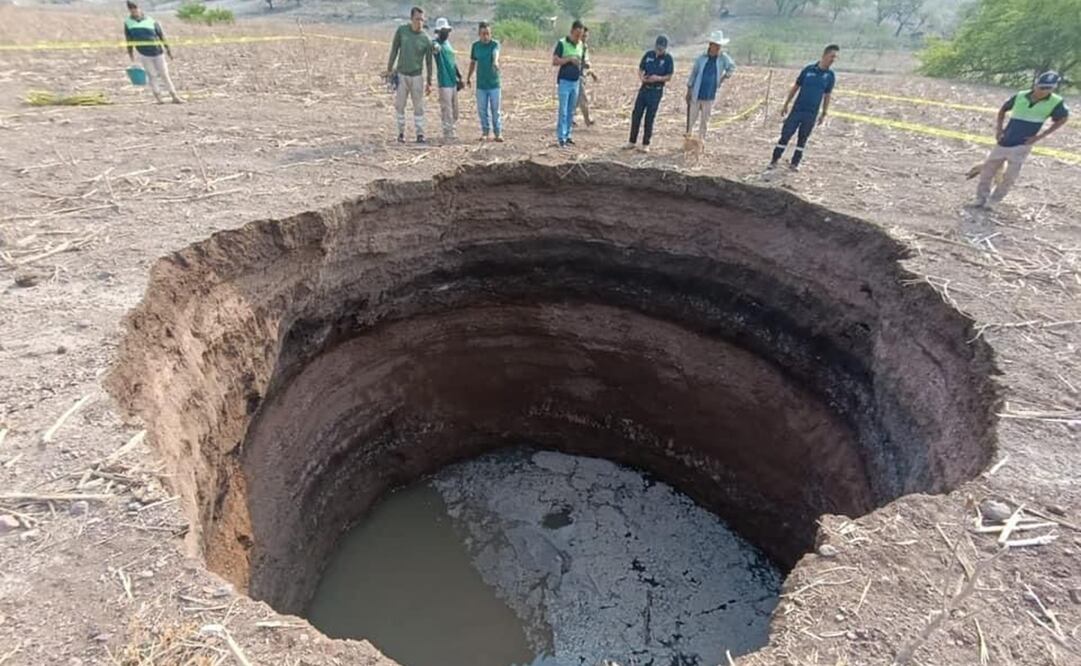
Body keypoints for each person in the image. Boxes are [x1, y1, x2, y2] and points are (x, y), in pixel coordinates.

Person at [974, 71, 1069, 208]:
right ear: (1035, 84)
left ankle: (994, 200)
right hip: (1004, 140)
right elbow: (1003, 109)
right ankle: (981, 198)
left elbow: (1063, 118)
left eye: (1048, 88)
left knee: (1010, 176)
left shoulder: (1056, 102)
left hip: (1023, 144)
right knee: (987, 172)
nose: (1043, 91)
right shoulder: (1020, 96)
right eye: (1042, 87)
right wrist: (999, 130)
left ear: (1053, 88)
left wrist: (1040, 136)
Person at [769, 44, 838, 172]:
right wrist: (786, 104)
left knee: (803, 139)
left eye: (835, 57)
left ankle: (795, 163)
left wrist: (824, 113)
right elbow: (796, 87)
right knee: (786, 135)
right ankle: (774, 160)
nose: (833, 60)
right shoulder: (808, 70)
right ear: (824, 55)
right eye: (832, 56)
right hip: (797, 110)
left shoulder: (830, 76)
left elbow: (827, 95)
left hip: (811, 113)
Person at [386, 7, 435, 144]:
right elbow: (394, 50)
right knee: (400, 105)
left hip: (417, 76)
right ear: (411, 18)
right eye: (417, 19)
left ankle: (420, 134)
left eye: (422, 20)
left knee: (418, 106)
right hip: (402, 75)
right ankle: (401, 133)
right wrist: (389, 69)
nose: (419, 22)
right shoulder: (402, 31)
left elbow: (429, 62)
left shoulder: (426, 39)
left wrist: (429, 81)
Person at [123, 1, 182, 104]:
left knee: (164, 74)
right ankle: (158, 98)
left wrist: (168, 50)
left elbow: (161, 36)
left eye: (135, 10)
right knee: (152, 75)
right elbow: (129, 39)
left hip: (158, 52)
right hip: (144, 53)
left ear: (139, 9)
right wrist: (130, 53)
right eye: (132, 10)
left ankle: (174, 96)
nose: (134, 12)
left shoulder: (151, 20)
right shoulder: (128, 23)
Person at [623, 35, 674, 153]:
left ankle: (646, 144)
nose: (659, 50)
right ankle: (631, 141)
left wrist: (657, 78)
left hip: (656, 91)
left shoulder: (668, 59)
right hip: (644, 88)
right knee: (636, 115)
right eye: (658, 47)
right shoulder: (648, 55)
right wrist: (642, 77)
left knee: (649, 117)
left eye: (662, 48)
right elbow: (641, 68)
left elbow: (669, 76)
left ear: (665, 48)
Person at [685, 30, 736, 141]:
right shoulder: (701, 58)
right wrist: (689, 89)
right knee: (691, 119)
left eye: (719, 46)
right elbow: (694, 74)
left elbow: (732, 67)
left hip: (710, 95)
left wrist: (724, 77)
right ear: (710, 45)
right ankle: (688, 140)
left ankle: (701, 142)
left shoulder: (723, 58)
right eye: (716, 45)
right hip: (697, 93)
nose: (717, 48)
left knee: (705, 121)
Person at [467, 22, 503, 142]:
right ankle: (485, 131)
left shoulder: (494, 44)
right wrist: (468, 77)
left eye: (488, 33)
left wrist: (495, 62)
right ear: (479, 34)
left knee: (495, 110)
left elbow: (495, 53)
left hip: (494, 84)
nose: (486, 36)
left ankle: (498, 132)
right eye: (483, 34)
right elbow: (473, 62)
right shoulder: (475, 46)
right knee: (482, 110)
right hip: (481, 85)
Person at [552, 20, 585, 148]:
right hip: (564, 81)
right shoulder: (562, 43)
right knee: (563, 111)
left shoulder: (581, 45)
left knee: (571, 111)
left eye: (580, 35)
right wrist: (569, 60)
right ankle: (561, 137)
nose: (578, 38)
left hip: (575, 81)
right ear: (572, 31)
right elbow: (555, 61)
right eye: (577, 35)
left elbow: (582, 61)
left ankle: (568, 135)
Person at [431, 17, 462, 142]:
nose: (446, 33)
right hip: (444, 81)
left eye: (447, 31)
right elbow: (434, 48)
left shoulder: (448, 44)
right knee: (447, 109)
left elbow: (453, 62)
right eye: (443, 31)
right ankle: (448, 133)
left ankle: (451, 129)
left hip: (452, 80)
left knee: (455, 110)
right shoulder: (436, 44)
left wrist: (459, 76)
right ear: (438, 32)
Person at [576, 26, 599, 127]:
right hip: (577, 77)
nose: (585, 38)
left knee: (576, 100)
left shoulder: (584, 47)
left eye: (586, 36)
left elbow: (586, 63)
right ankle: (587, 120)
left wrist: (591, 73)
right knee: (583, 99)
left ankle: (570, 119)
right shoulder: (576, 47)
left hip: (583, 76)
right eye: (583, 36)